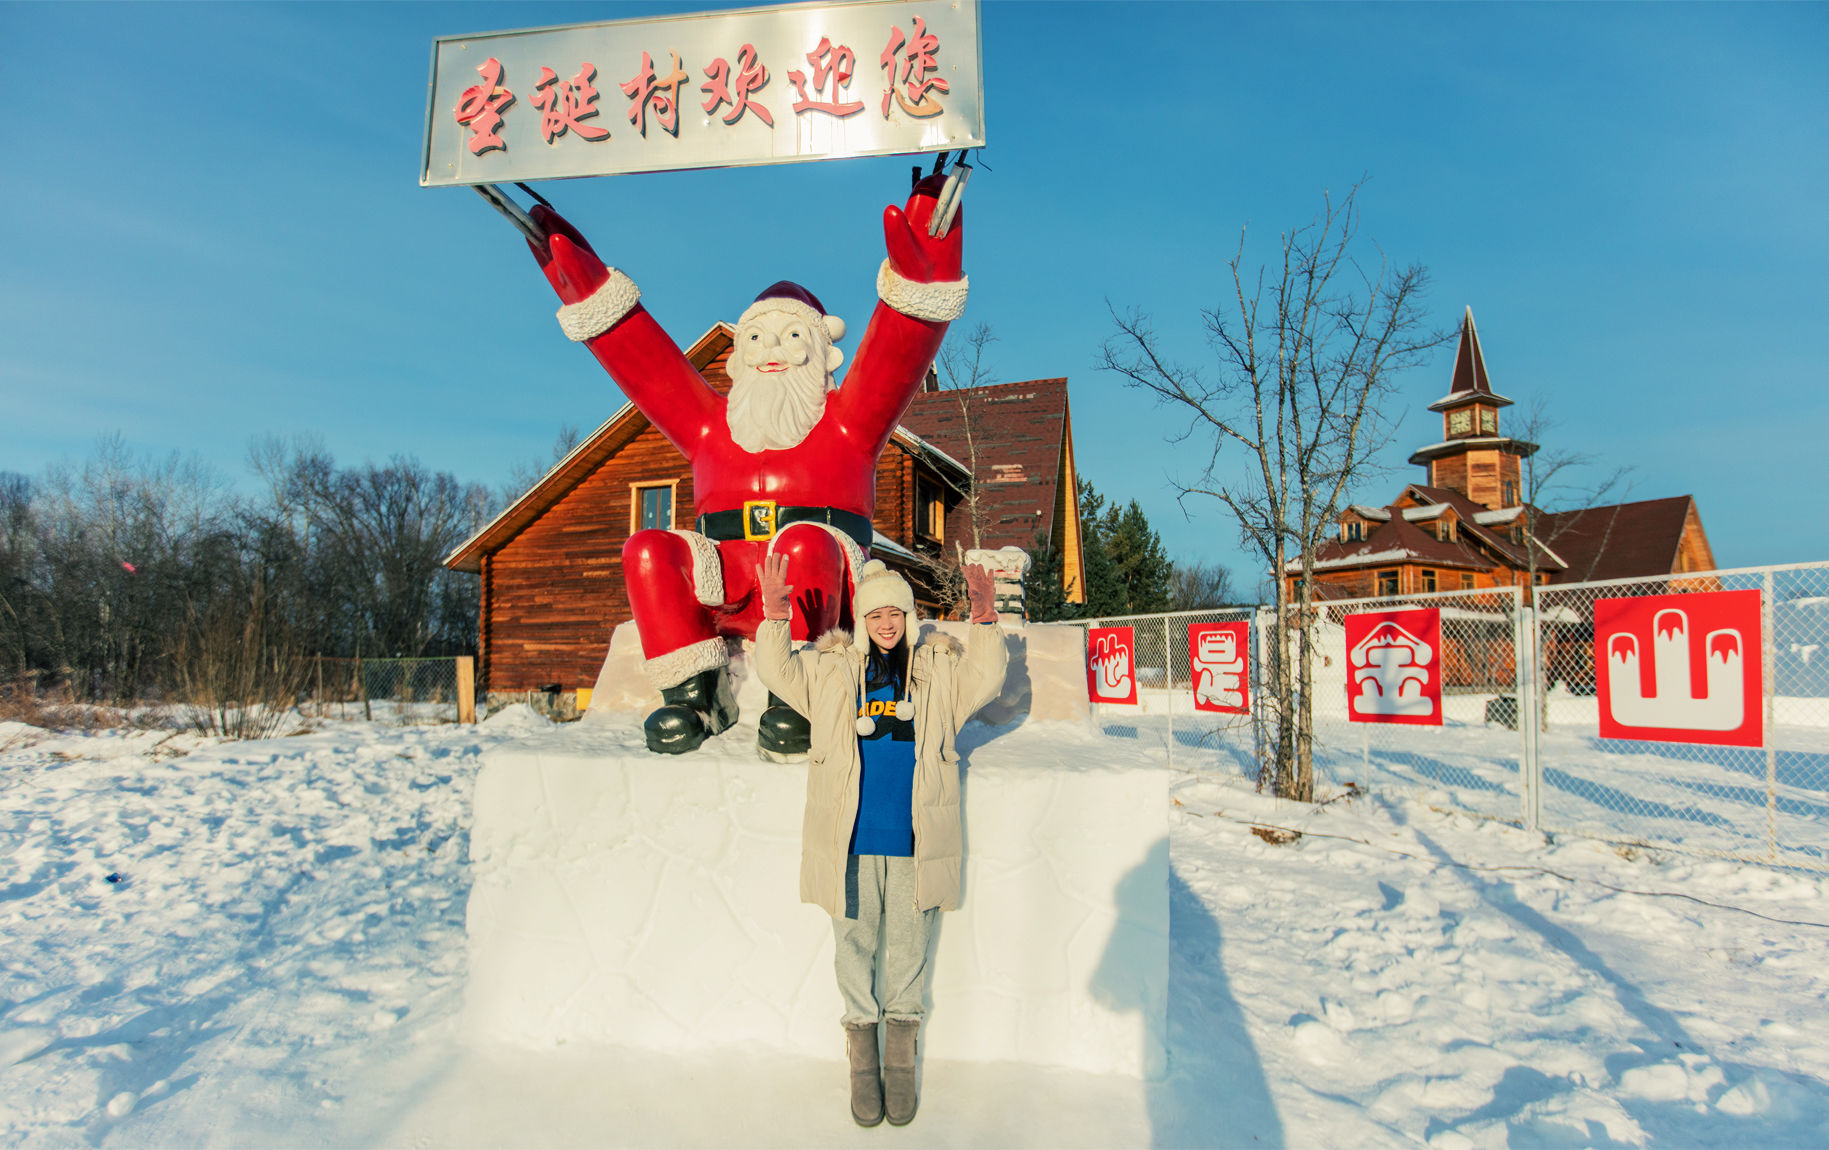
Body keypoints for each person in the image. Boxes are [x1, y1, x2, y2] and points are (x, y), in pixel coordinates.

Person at [520, 174, 968, 757]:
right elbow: (647, 366)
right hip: (729, 578)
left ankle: (798, 694)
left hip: (817, 577)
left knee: (804, 541)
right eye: (757, 337)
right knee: (647, 549)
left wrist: (917, 289)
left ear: (822, 349)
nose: (771, 349)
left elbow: (894, 361)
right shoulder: (712, 423)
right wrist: (592, 297)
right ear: (740, 354)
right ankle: (697, 692)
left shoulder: (846, 422)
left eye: (789, 336)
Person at [753, 553, 1007, 1127]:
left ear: (910, 617)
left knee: (908, 955)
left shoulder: (937, 670)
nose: (886, 623)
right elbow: (780, 675)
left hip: (918, 839)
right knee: (855, 947)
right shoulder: (832, 670)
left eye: (895, 613)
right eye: (875, 614)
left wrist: (984, 619)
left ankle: (900, 1059)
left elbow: (986, 679)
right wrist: (774, 619)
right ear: (862, 620)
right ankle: (862, 1059)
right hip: (852, 839)